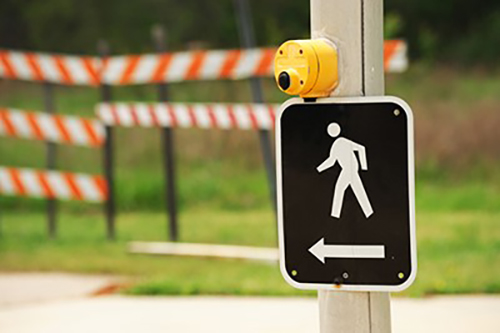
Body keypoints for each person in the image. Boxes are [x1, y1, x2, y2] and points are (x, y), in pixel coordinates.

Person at [316, 122, 373, 218]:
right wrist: (319, 169)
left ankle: (335, 216)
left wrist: (364, 167)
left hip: (349, 169)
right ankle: (368, 213)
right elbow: (332, 161)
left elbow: (361, 148)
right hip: (349, 169)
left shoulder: (342, 141)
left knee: (340, 189)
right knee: (357, 190)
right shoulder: (336, 144)